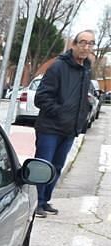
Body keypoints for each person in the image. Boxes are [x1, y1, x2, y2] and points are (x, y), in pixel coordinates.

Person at [32, 29, 95, 218]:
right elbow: (41, 97)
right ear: (74, 45)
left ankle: (45, 200)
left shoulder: (86, 69)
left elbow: (81, 98)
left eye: (90, 43)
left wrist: (81, 115)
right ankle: (36, 202)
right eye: (82, 42)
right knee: (43, 166)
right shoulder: (58, 66)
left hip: (69, 129)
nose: (86, 47)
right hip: (50, 128)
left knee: (57, 166)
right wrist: (60, 112)